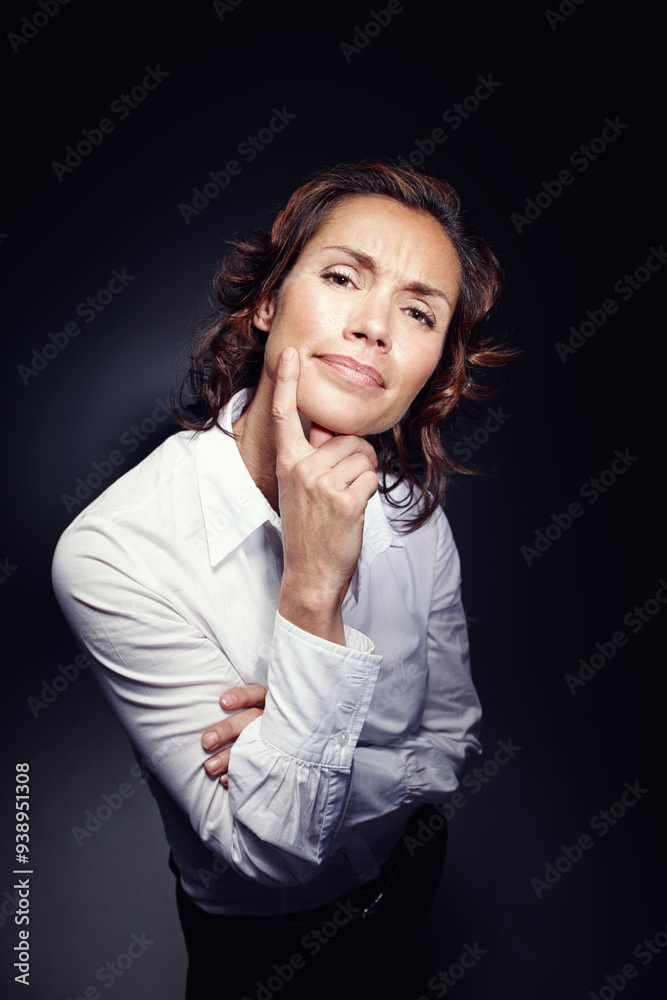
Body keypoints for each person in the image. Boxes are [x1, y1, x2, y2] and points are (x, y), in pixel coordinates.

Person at [52, 161, 513, 998]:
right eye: (342, 278)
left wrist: (308, 739)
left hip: (408, 875)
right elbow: (270, 848)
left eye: (417, 311)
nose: (373, 327)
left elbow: (452, 741)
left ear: (433, 368)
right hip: (258, 942)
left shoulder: (412, 516)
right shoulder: (113, 552)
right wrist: (311, 594)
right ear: (267, 303)